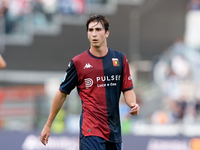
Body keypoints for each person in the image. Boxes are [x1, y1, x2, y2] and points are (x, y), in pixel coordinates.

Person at [40, 14, 140, 150]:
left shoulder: (120, 59)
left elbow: (127, 89)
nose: (94, 34)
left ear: (107, 33)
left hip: (114, 131)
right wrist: (48, 124)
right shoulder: (78, 62)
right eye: (90, 30)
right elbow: (62, 93)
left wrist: (132, 104)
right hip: (90, 131)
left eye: (98, 29)